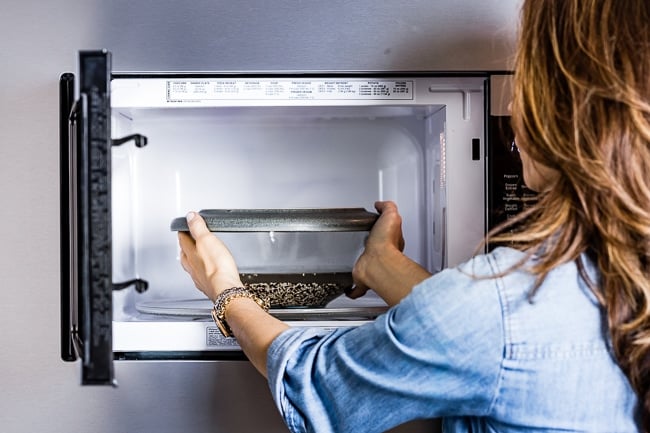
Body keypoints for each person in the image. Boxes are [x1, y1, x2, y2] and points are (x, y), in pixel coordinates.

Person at [178, 0, 649, 431]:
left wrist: (223, 287)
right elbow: (474, 330)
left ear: (566, 109)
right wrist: (380, 262)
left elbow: (314, 385)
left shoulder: (503, 308)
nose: (509, 106)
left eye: (525, 79)